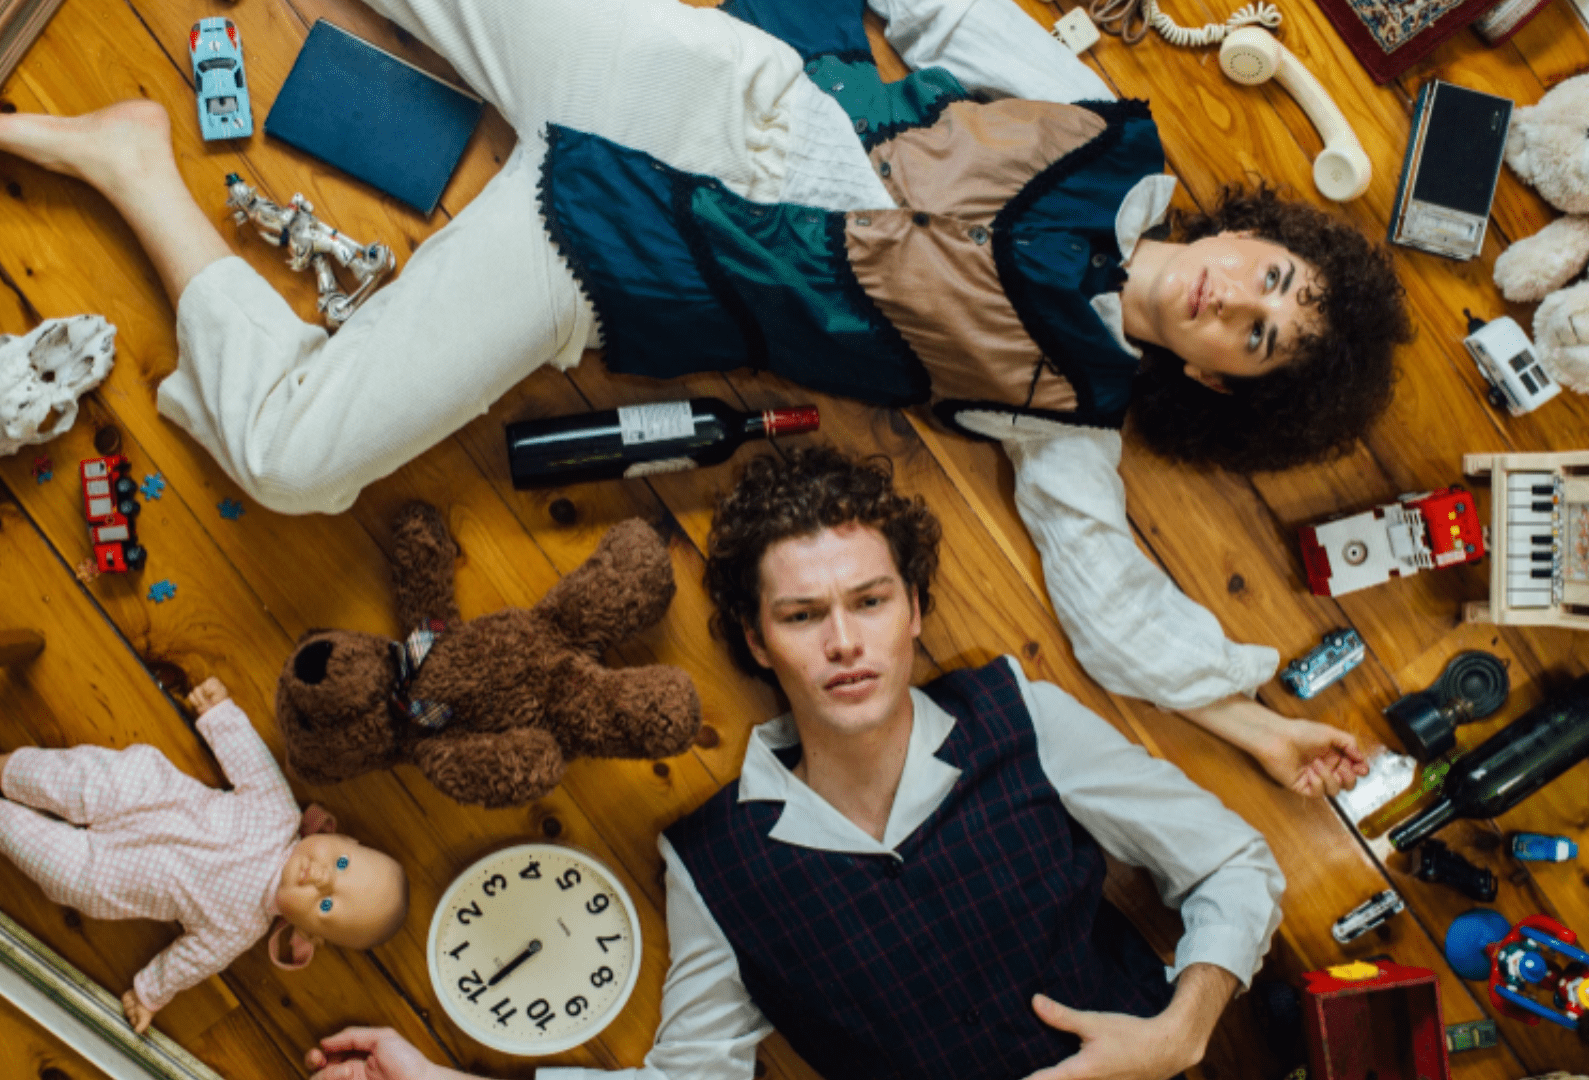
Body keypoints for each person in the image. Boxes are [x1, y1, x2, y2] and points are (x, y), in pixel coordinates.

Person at [0, 0, 1397, 795]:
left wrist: (1252, 720)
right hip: (701, 89)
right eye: (1273, 277)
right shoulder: (1105, 119)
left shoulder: (1067, 413)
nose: (1248, 304)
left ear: (1222, 381)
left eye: (1268, 338)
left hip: (608, 256)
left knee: (294, 459)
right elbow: (939, 8)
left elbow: (1110, 604)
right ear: (1247, 232)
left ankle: (129, 164)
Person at [302, 446, 1284, 1080]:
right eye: (803, 615)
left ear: (915, 611)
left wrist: (1179, 1031)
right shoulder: (714, 861)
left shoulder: (1018, 717)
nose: (845, 642)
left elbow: (1230, 864)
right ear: (758, 641)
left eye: (870, 602)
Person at [0, 677, 409, 1034]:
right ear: (346, 841)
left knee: (67, 877)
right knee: (80, 778)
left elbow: (186, 962)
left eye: (325, 903)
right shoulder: (280, 814)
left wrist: (148, 995)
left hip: (109, 874)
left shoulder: (239, 930)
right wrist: (218, 713)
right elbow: (252, 764)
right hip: (137, 797)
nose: (321, 877)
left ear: (309, 935)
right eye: (340, 864)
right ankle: (7, 771)